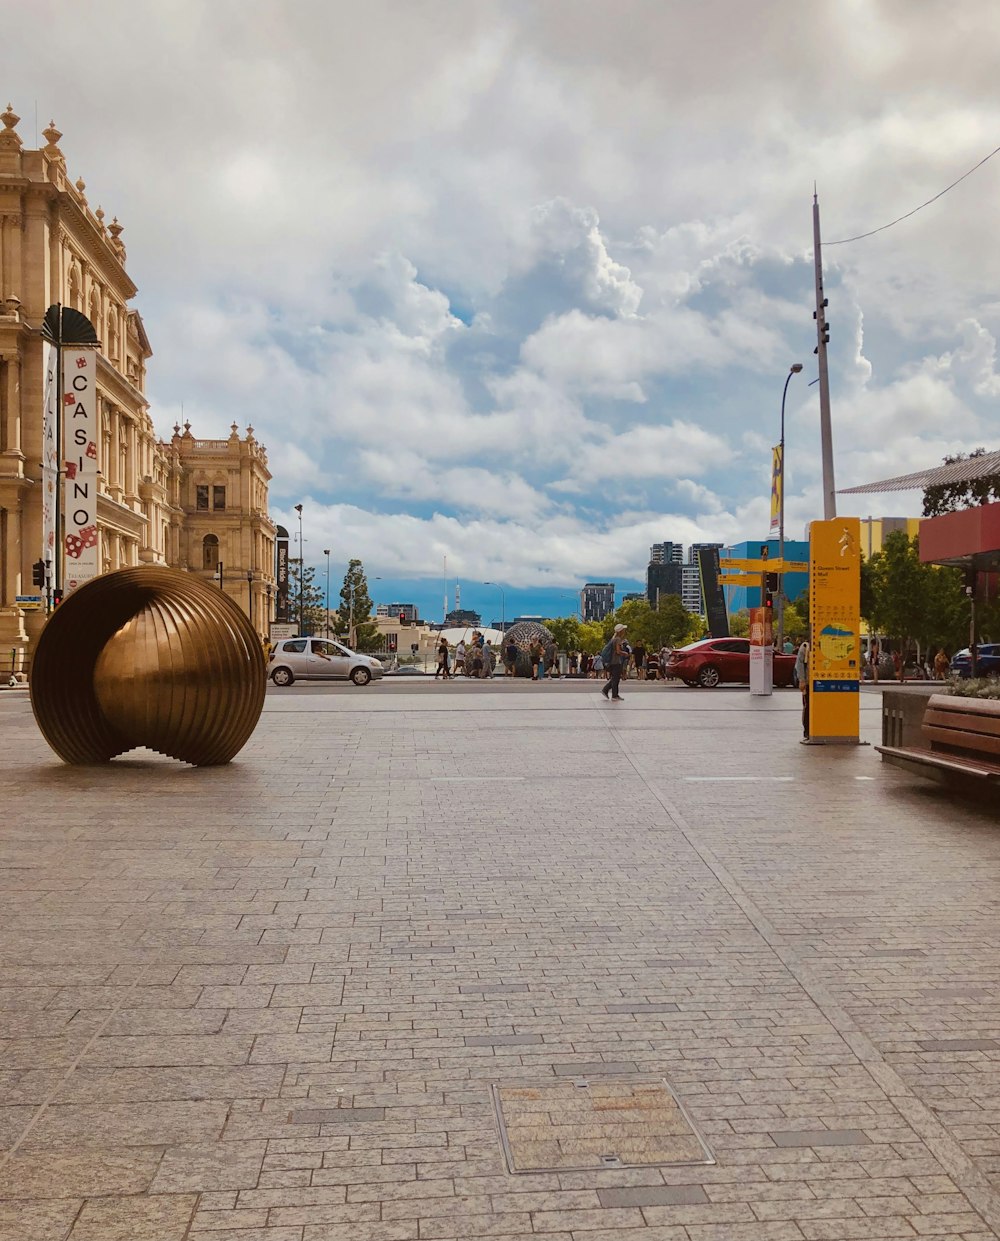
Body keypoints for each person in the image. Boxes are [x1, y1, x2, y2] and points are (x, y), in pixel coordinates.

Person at [601, 623, 630, 701]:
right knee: (615, 679)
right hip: (616, 662)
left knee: (615, 678)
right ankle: (613, 694)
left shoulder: (614, 639)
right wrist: (625, 653)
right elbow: (618, 651)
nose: (624, 631)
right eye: (623, 630)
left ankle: (607, 691)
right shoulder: (617, 639)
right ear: (621, 631)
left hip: (613, 662)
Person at [795, 639, 809, 739]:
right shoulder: (805, 646)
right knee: (807, 706)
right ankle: (807, 730)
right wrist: (802, 680)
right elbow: (799, 664)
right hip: (809, 683)